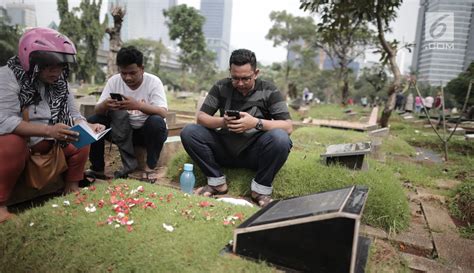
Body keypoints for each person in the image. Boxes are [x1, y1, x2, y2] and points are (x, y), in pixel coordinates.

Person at [0, 27, 104, 223]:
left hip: (51, 142)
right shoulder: (7, 77)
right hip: (22, 145)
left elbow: (74, 114)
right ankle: (1, 206)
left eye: (60, 66)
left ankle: (71, 188)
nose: (56, 72)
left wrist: (85, 125)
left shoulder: (60, 83)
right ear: (30, 60)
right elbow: (4, 120)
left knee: (80, 139)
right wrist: (49, 130)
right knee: (12, 143)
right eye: (48, 66)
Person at [180, 49, 293, 207]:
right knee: (189, 132)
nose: (240, 84)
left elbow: (287, 126)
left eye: (246, 78)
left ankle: (260, 189)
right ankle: (217, 182)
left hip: (255, 153)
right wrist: (223, 122)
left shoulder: (269, 90)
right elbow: (201, 118)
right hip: (224, 148)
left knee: (280, 138)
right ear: (230, 72)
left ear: (256, 73)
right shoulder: (221, 87)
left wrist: (255, 123)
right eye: (235, 78)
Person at [86, 46, 168, 180]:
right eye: (123, 73)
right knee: (95, 120)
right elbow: (97, 110)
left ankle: (149, 167)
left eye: (132, 73)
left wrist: (138, 105)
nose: (127, 78)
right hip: (121, 130)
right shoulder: (114, 81)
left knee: (156, 122)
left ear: (142, 69)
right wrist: (105, 105)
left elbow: (163, 112)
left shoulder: (153, 82)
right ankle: (97, 167)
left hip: (146, 133)